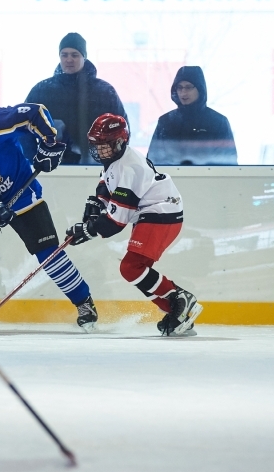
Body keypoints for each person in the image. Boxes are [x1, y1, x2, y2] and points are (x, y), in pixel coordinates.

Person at [0, 94, 98, 332]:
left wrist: (49, 144)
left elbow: (35, 111)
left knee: (49, 254)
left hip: (22, 194)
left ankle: (85, 303)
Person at [65, 113, 202, 337]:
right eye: (96, 144)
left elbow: (115, 223)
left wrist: (88, 230)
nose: (99, 150)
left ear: (120, 142)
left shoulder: (131, 168)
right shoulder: (115, 159)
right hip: (153, 214)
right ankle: (179, 312)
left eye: (104, 145)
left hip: (160, 214)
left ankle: (180, 299)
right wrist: (98, 203)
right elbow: (106, 183)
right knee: (134, 270)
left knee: (131, 268)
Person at [25, 32, 128, 165]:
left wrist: (112, 162)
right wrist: (34, 161)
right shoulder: (42, 90)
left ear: (84, 57)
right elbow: (24, 128)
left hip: (94, 167)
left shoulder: (104, 92)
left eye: (74, 55)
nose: (69, 59)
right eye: (64, 55)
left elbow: (122, 129)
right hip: (53, 168)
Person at [147, 66, 237, 166]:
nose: (183, 92)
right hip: (170, 180)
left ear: (200, 89)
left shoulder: (218, 122)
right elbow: (152, 162)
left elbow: (228, 164)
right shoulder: (166, 122)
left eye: (188, 87)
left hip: (209, 180)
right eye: (179, 87)